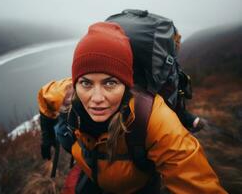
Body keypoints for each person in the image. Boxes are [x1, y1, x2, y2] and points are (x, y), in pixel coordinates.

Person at [38, 22, 227, 193]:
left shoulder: (152, 118)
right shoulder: (66, 93)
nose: (96, 98)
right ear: (75, 83)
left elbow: (195, 179)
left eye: (110, 83)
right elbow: (44, 96)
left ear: (127, 85)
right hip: (91, 175)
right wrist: (47, 138)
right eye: (86, 83)